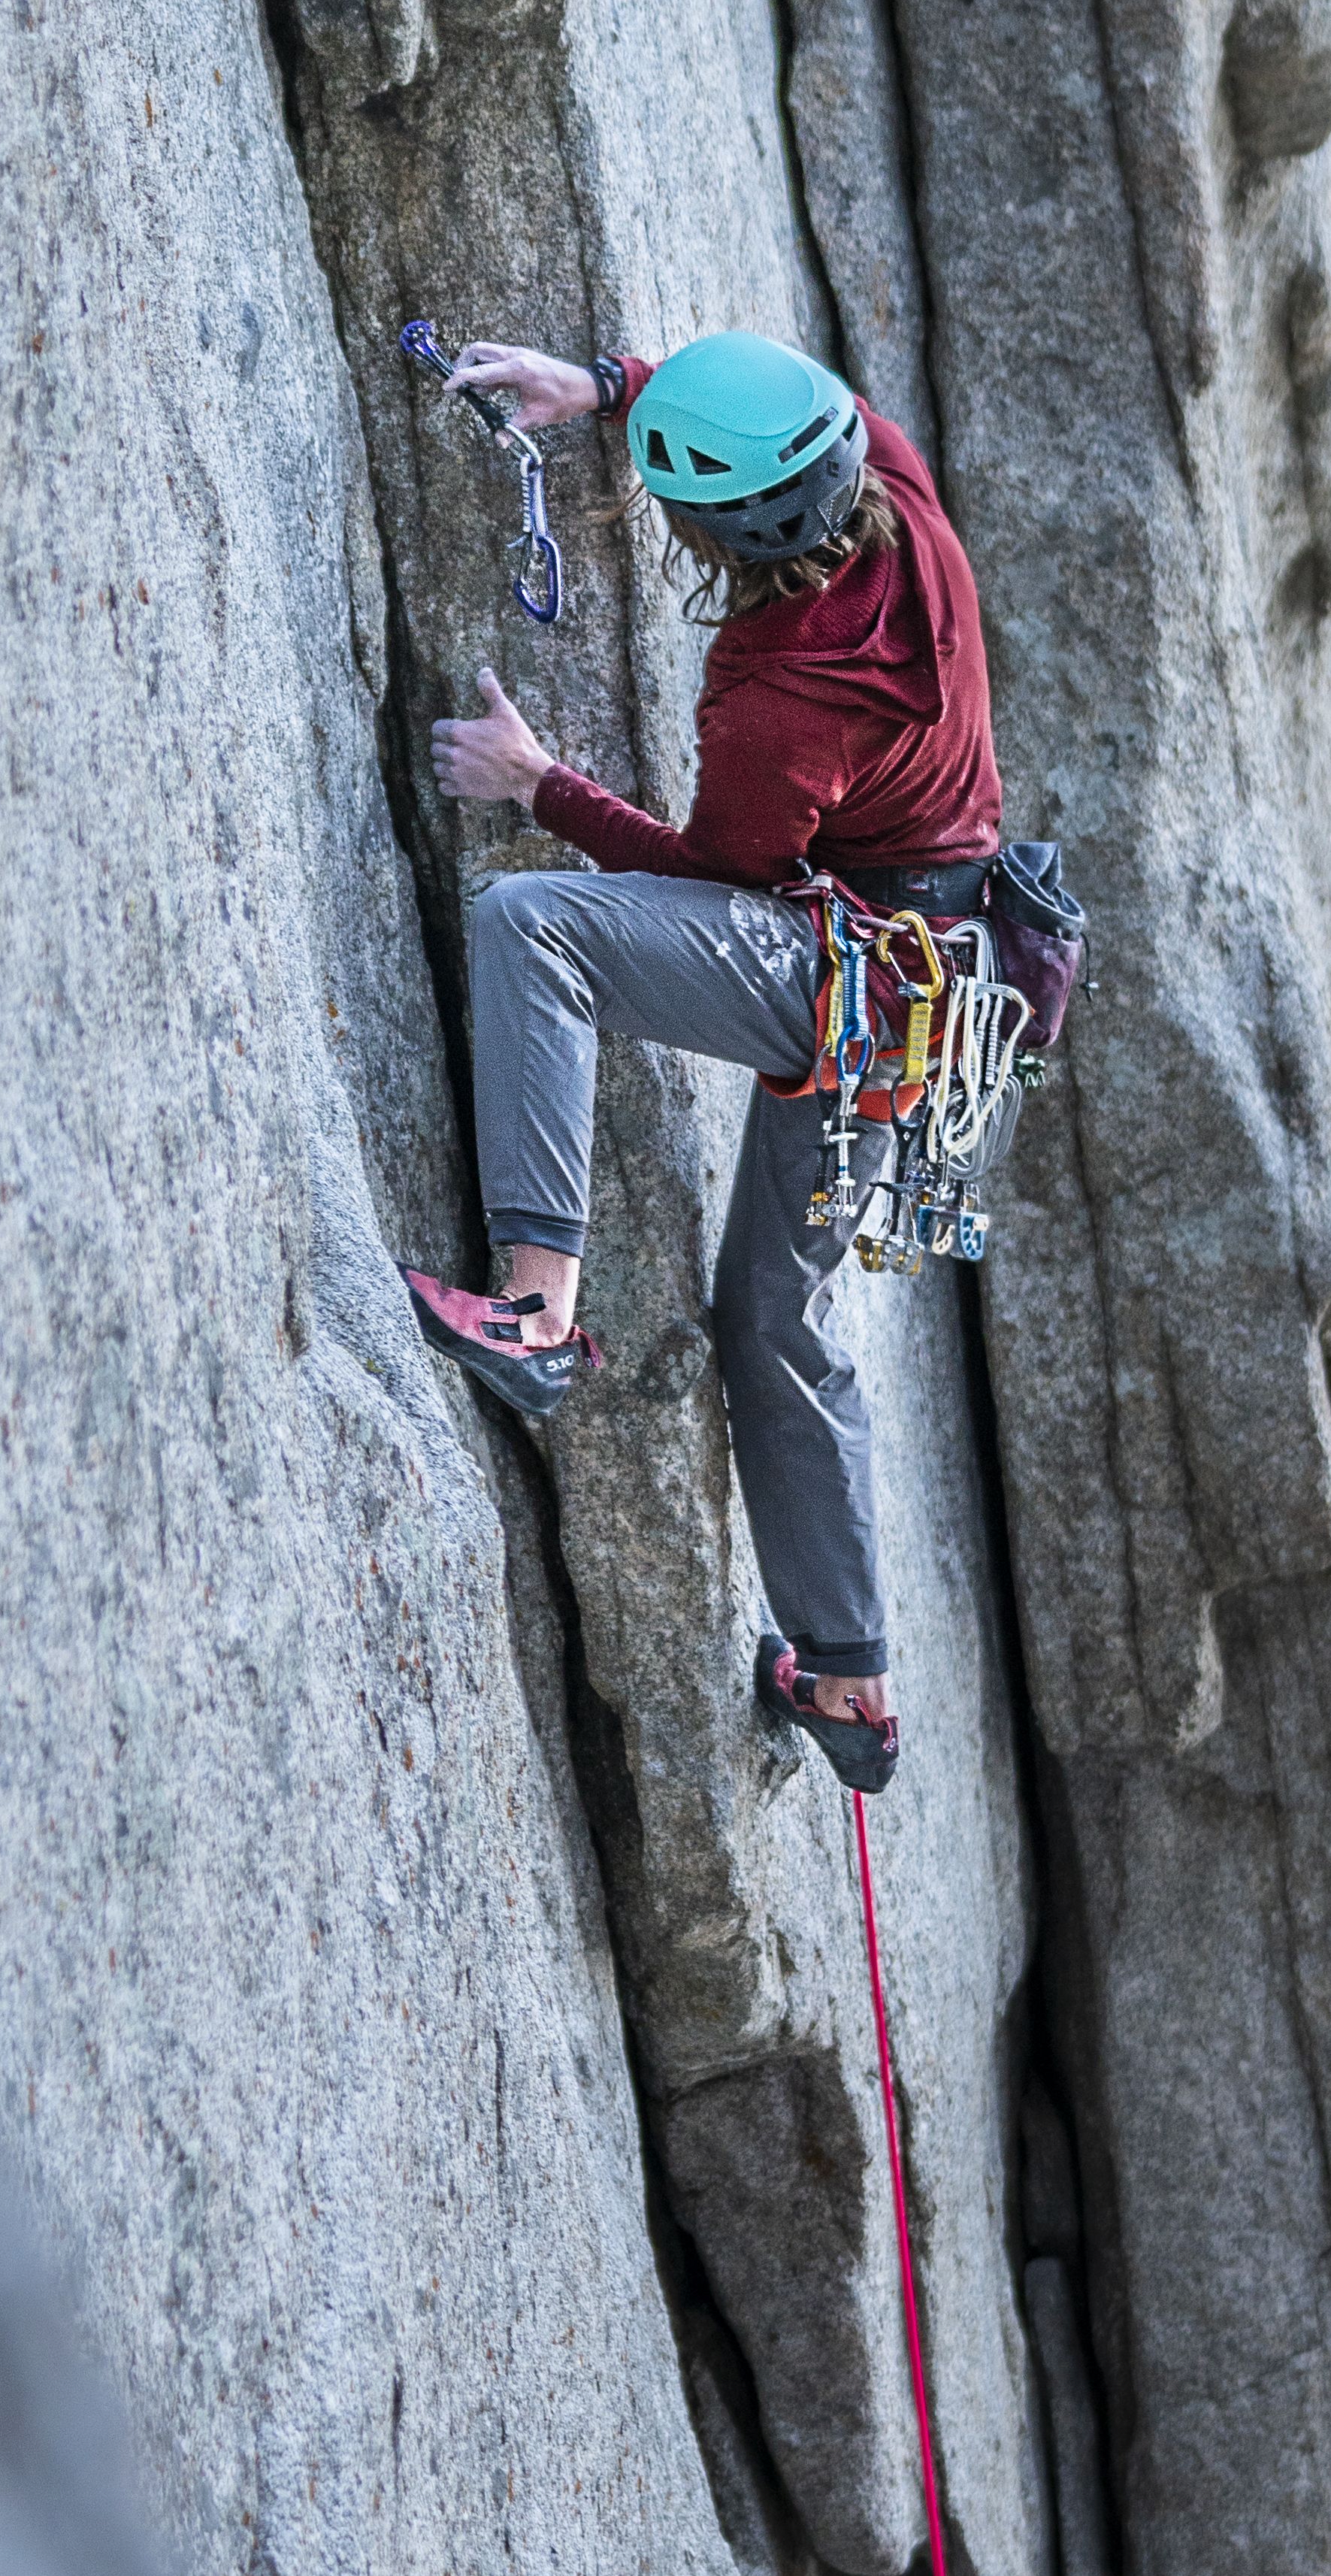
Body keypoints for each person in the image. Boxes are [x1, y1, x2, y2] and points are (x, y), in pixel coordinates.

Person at [402, 330, 1003, 1793]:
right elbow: (788, 414)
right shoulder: (898, 488)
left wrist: (540, 785)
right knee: (771, 1318)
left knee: (536, 927)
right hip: (937, 982)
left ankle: (535, 1312)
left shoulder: (781, 695)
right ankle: (845, 1682)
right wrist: (605, 388)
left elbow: (718, 878)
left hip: (846, 982)